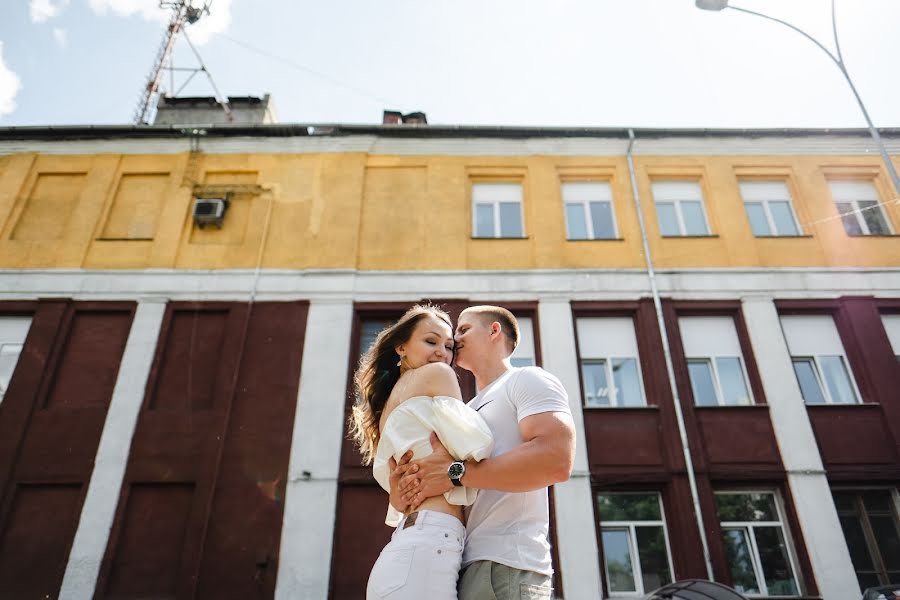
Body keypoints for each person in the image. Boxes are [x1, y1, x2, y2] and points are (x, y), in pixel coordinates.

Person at [394, 305, 576, 600]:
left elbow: (556, 460)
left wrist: (455, 474)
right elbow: (441, 480)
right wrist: (404, 491)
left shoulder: (527, 379)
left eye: (464, 329)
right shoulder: (464, 411)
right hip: (457, 564)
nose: (455, 338)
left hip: (506, 566)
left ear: (494, 331)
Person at [350, 304, 494, 600]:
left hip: (408, 549)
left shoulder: (390, 403)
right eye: (431, 341)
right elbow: (479, 445)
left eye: (449, 346)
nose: (442, 353)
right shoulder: (437, 375)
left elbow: (396, 492)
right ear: (401, 347)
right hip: (429, 547)